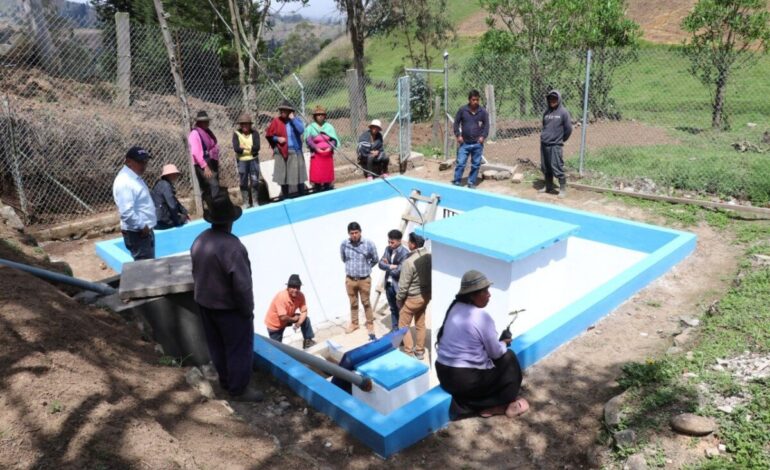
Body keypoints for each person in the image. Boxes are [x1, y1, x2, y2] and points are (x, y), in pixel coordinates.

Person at [190, 192, 262, 402]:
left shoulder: (200, 240)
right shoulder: (233, 247)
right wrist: (247, 310)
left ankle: (225, 381)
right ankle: (239, 389)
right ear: (230, 221)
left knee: (217, 346)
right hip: (229, 309)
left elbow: (195, 271)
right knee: (238, 348)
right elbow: (242, 285)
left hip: (205, 304)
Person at [435, 270, 528, 420]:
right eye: (485, 291)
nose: (489, 295)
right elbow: (496, 353)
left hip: (445, 375)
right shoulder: (482, 317)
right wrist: (503, 344)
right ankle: (498, 405)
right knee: (509, 358)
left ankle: (469, 403)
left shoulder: (455, 308)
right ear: (472, 295)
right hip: (464, 379)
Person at [112, 146, 157, 260]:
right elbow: (126, 212)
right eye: (140, 162)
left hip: (143, 231)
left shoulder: (134, 177)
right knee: (145, 270)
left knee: (148, 267)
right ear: (128, 161)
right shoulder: (125, 181)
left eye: (145, 162)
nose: (144, 165)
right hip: (138, 233)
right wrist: (143, 226)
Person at [340, 221, 378, 340]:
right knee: (353, 302)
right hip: (350, 279)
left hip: (364, 279)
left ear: (360, 232)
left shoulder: (368, 244)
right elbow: (343, 258)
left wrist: (366, 268)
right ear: (349, 234)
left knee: (366, 303)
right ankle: (354, 323)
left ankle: (370, 323)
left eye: (356, 232)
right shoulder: (344, 244)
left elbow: (375, 259)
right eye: (352, 233)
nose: (354, 235)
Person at [396, 233, 432, 360]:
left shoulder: (409, 262)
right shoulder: (429, 256)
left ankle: (409, 352)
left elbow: (403, 286)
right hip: (426, 295)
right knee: (420, 323)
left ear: (413, 244)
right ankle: (420, 351)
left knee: (403, 324)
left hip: (413, 297)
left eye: (409, 242)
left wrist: (399, 300)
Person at [265, 101, 307, 199]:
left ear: (290, 111)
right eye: (281, 110)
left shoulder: (296, 120)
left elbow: (301, 130)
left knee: (299, 175)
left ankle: (302, 195)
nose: (282, 112)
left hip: (295, 151)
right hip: (281, 152)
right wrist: (278, 139)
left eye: (285, 110)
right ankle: (286, 197)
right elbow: (270, 135)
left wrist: (293, 120)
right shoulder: (276, 121)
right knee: (283, 176)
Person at [264, 274, 317, 350]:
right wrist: (294, 319)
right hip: (275, 324)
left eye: (298, 287)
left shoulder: (300, 295)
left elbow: (304, 311)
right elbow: (282, 317)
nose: (295, 290)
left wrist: (299, 323)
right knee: (277, 349)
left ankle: (308, 341)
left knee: (305, 319)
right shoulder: (281, 297)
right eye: (293, 287)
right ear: (288, 287)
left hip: (288, 316)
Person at [452, 90, 489, 189]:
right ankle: (457, 182)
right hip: (464, 143)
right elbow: (456, 123)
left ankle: (471, 182)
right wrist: (458, 135)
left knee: (476, 164)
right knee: (461, 163)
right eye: (473, 100)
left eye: (477, 100)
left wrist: (483, 137)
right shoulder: (462, 110)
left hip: (477, 143)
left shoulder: (483, 112)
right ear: (469, 100)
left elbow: (486, 126)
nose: (475, 102)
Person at [540, 90, 573, 198]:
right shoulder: (546, 112)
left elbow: (568, 129)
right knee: (546, 166)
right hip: (545, 144)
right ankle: (548, 186)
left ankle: (562, 188)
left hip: (556, 145)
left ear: (558, 99)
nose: (552, 101)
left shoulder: (563, 112)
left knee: (557, 166)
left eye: (554, 98)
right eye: (550, 98)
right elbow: (544, 125)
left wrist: (560, 140)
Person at [378, 229, 409, 332]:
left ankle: (402, 333)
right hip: (388, 285)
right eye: (389, 242)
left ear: (399, 241)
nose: (390, 244)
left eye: (392, 242)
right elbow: (380, 264)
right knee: (392, 309)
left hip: (398, 286)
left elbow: (399, 271)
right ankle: (395, 330)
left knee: (401, 310)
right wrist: (392, 266)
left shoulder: (404, 253)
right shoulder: (388, 249)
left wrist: (387, 266)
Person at [304, 105, 340, 192]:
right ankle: (318, 187)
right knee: (317, 173)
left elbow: (334, 139)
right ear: (315, 116)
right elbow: (309, 140)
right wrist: (316, 148)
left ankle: (327, 186)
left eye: (322, 114)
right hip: (317, 154)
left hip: (327, 154)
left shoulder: (329, 127)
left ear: (325, 116)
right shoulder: (310, 127)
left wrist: (330, 147)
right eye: (318, 114)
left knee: (326, 173)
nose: (320, 116)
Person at [189, 110, 221, 200]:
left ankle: (214, 208)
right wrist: (205, 166)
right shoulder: (195, 134)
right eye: (204, 121)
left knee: (213, 186)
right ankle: (215, 207)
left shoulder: (207, 132)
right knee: (213, 185)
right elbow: (195, 152)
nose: (207, 123)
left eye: (207, 121)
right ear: (199, 122)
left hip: (210, 161)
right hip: (202, 163)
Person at [232, 113, 261, 208]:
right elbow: (236, 149)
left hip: (253, 160)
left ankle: (255, 201)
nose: (244, 126)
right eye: (242, 124)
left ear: (250, 125)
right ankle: (246, 202)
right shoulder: (236, 134)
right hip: (242, 161)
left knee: (255, 180)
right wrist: (250, 149)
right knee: (243, 181)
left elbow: (257, 147)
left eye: (246, 124)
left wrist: (244, 147)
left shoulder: (255, 133)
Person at [151, 163, 189, 230]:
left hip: (156, 220)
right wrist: (177, 222)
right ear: (169, 175)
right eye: (174, 174)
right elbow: (172, 205)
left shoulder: (161, 184)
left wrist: (184, 211)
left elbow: (175, 201)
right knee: (184, 219)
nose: (176, 176)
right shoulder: (166, 186)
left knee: (183, 216)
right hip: (162, 221)